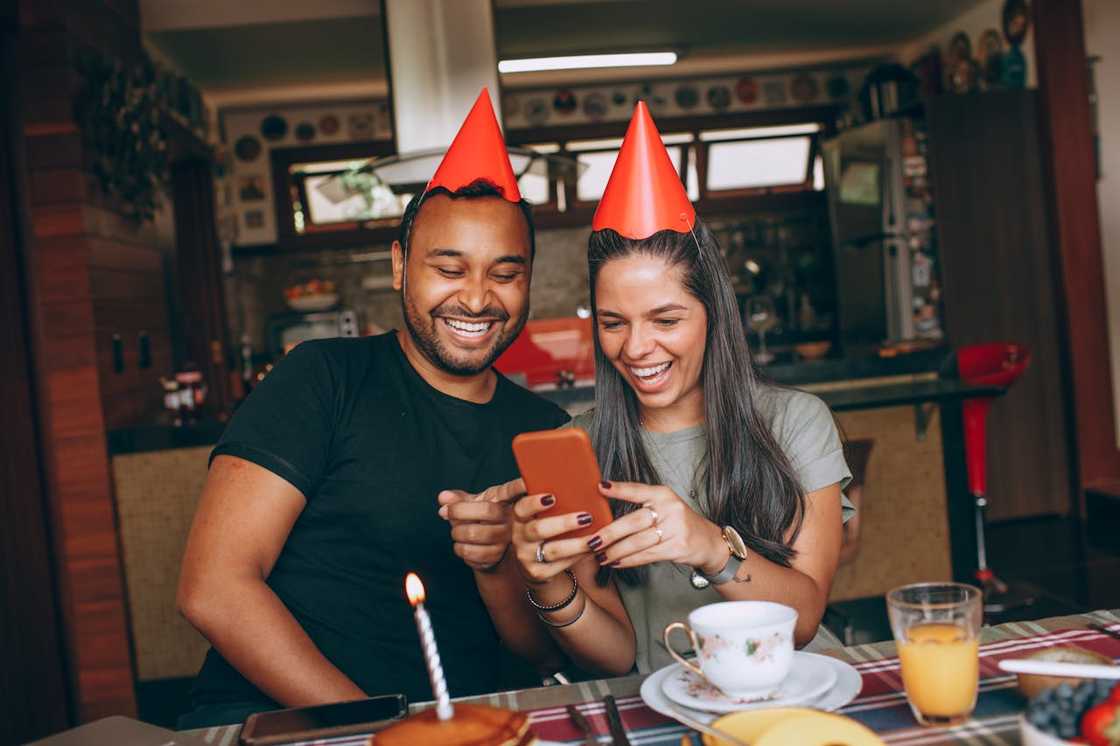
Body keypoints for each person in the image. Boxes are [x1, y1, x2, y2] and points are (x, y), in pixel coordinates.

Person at [175, 90, 568, 727]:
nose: (476, 298)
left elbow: (538, 650)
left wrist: (498, 565)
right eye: (448, 268)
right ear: (399, 265)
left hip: (460, 724)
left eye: (505, 272)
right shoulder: (322, 377)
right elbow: (213, 590)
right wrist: (376, 729)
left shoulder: (547, 432)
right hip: (280, 722)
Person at [502, 102, 854, 676]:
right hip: (663, 700)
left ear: (713, 313)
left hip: (794, 689)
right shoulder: (577, 447)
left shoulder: (796, 422)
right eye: (614, 323)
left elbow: (805, 617)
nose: (636, 348)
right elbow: (621, 655)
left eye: (665, 320)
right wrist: (546, 583)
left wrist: (710, 546)